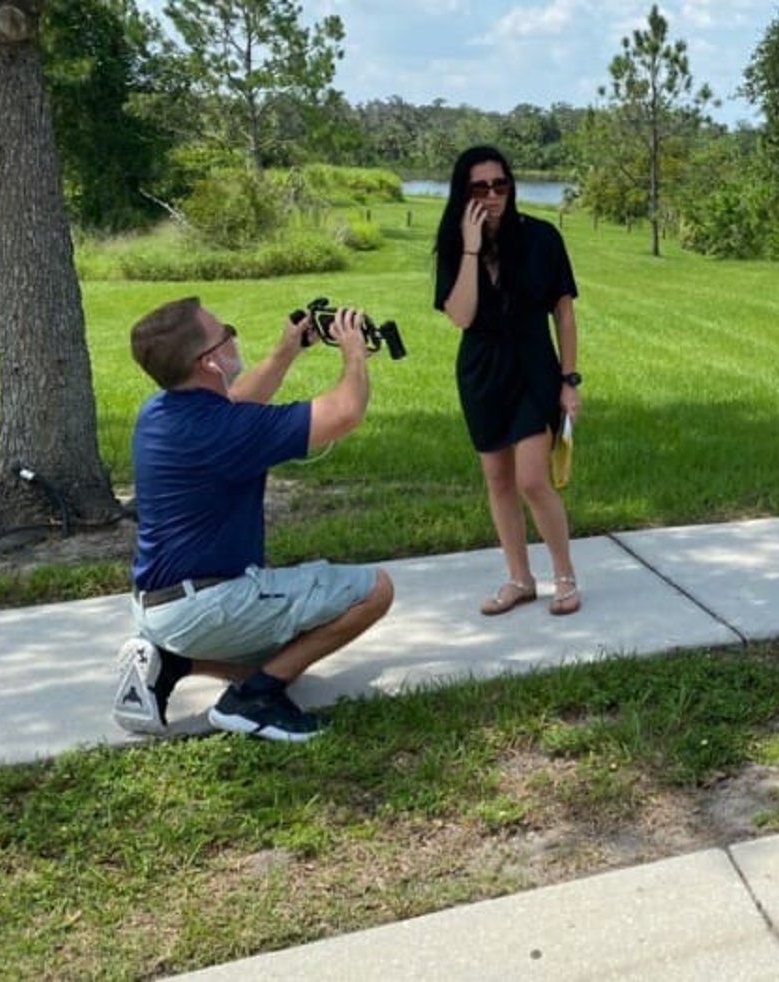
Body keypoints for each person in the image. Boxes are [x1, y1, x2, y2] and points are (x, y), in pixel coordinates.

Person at [116, 298, 396, 743]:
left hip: (158, 606)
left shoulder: (160, 411)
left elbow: (237, 400)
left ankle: (168, 662)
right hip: (206, 606)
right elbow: (345, 411)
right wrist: (354, 350)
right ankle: (253, 702)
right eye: (225, 331)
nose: (233, 336)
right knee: (375, 591)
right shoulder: (226, 431)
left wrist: (287, 350)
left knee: (288, 658)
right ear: (209, 361)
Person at [433, 145, 582, 617]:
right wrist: (473, 246)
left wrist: (569, 380)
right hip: (481, 373)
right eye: (481, 187)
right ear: (464, 192)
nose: (493, 195)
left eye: (501, 185)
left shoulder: (541, 238)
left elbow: (564, 313)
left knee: (533, 480)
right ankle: (520, 578)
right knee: (498, 480)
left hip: (534, 367)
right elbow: (461, 316)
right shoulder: (456, 243)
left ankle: (565, 576)